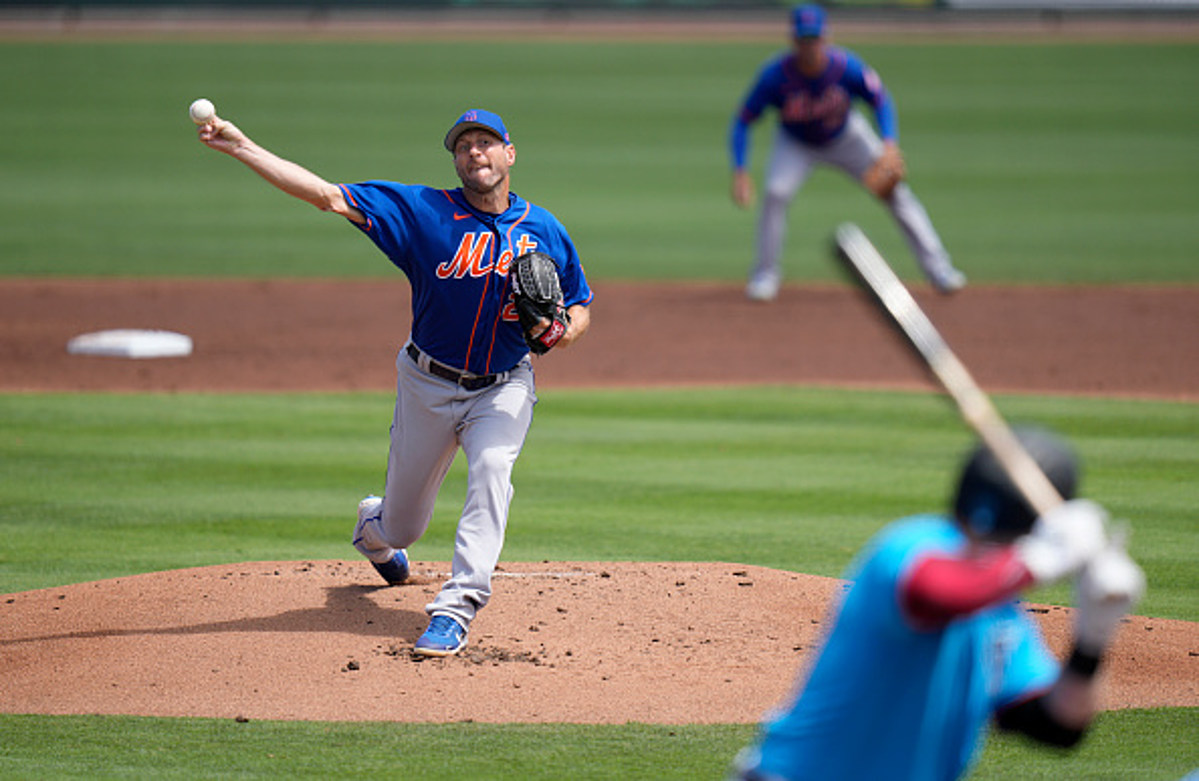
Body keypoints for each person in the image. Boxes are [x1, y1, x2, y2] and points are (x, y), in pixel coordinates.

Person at [197, 107, 593, 657]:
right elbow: (325, 195)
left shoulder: (544, 228)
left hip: (504, 386)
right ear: (455, 160)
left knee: (492, 467)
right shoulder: (421, 211)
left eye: (485, 142)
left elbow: (579, 306)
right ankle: (374, 530)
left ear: (510, 154)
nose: (474, 152)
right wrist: (242, 146)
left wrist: (564, 333)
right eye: (463, 146)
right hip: (426, 383)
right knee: (403, 527)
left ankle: (457, 607)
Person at [730, 427, 1146, 780]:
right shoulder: (912, 547)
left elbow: (1057, 726)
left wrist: (1094, 636)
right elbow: (938, 595)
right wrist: (1041, 560)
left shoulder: (1002, 616)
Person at [729, 4, 967, 301]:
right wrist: (740, 170)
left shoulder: (846, 67)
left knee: (896, 193)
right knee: (776, 193)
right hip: (795, 143)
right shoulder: (774, 76)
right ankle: (765, 275)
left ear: (826, 37)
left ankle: (940, 270)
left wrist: (889, 144)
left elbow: (880, 99)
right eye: (803, 39)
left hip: (846, 136)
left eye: (814, 38)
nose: (809, 45)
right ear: (793, 40)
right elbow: (742, 121)